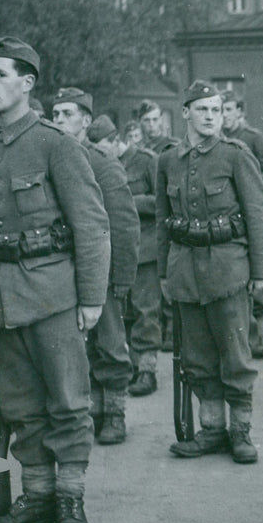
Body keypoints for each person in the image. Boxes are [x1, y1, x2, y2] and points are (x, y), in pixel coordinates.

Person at [0, 37, 110, 523]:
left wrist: (91, 299)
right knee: (20, 404)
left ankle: (69, 499)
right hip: (0, 297)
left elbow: (91, 225)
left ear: (26, 83)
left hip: (54, 294)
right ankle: (37, 495)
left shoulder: (55, 143)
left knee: (67, 401)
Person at [156, 80, 263, 464]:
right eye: (202, 109)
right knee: (198, 357)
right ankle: (211, 430)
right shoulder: (168, 160)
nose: (210, 116)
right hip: (184, 271)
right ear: (185, 112)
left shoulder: (236, 155)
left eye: (217, 110)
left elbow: (257, 215)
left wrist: (259, 272)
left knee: (235, 356)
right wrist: (163, 272)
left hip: (228, 270)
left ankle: (240, 433)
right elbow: (163, 220)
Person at [51, 90, 140, 445]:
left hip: (101, 271)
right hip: (62, 271)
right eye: (55, 113)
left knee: (111, 345)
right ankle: (92, 411)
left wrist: (121, 277)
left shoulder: (101, 163)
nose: (58, 120)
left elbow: (124, 223)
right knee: (78, 347)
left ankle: (115, 414)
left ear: (86, 121)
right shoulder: (50, 158)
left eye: (66, 114)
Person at [87, 115, 161, 397]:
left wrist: (128, 199)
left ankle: (147, 369)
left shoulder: (145, 160)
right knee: (121, 316)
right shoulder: (97, 163)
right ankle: (129, 365)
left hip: (145, 249)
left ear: (118, 140)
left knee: (145, 311)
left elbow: (161, 200)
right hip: (114, 248)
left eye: (104, 143)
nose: (101, 149)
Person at [222, 91, 263, 359]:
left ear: (239, 113)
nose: (223, 115)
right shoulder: (219, 141)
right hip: (231, 220)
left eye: (227, 110)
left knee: (258, 272)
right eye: (220, 109)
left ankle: (260, 329)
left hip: (254, 216)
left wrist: (248, 181)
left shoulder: (253, 138)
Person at [137, 100, 179, 353]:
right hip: (151, 227)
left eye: (155, 120)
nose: (152, 126)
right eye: (146, 121)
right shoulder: (139, 150)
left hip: (171, 221)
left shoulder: (172, 148)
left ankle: (174, 331)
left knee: (170, 279)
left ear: (162, 120)